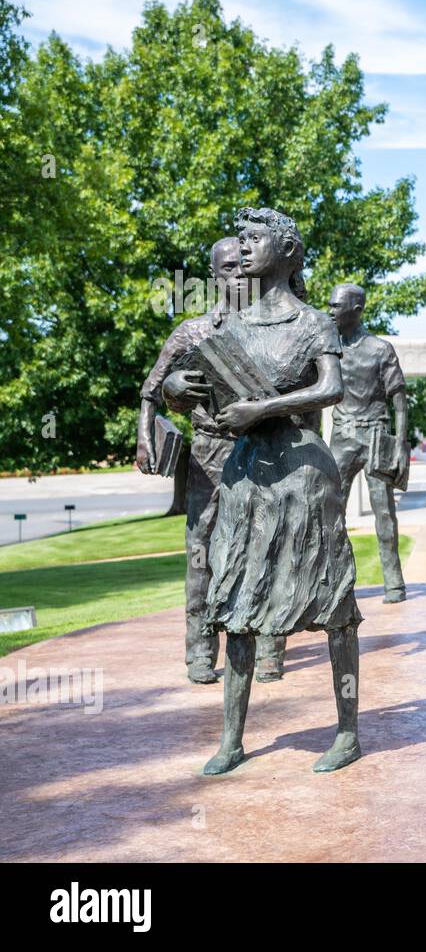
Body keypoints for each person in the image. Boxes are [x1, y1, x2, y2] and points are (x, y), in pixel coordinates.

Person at [172, 207, 364, 775]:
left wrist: (267, 406)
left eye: (256, 239)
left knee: (332, 602)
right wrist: (183, 389)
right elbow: (199, 390)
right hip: (245, 474)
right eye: (244, 239)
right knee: (237, 599)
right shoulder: (227, 326)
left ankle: (348, 731)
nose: (245, 247)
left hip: (303, 475)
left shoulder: (313, 323)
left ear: (285, 252)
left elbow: (331, 389)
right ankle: (231, 738)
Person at [138, 238, 285, 684]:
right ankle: (200, 649)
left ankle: (269, 647)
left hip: (265, 448)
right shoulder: (193, 332)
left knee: (268, 546)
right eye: (228, 267)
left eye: (244, 266)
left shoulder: (275, 328)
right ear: (213, 273)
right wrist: (153, 424)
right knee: (200, 550)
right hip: (210, 449)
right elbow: (152, 390)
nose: (238, 274)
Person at [327, 283, 409, 604]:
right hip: (342, 435)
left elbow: (399, 400)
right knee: (331, 509)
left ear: (357, 310)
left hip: (377, 435)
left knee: (384, 514)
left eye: (337, 306)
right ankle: (334, 581)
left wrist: (401, 444)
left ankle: (394, 585)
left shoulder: (380, 349)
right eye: (330, 305)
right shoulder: (327, 348)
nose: (331, 310)